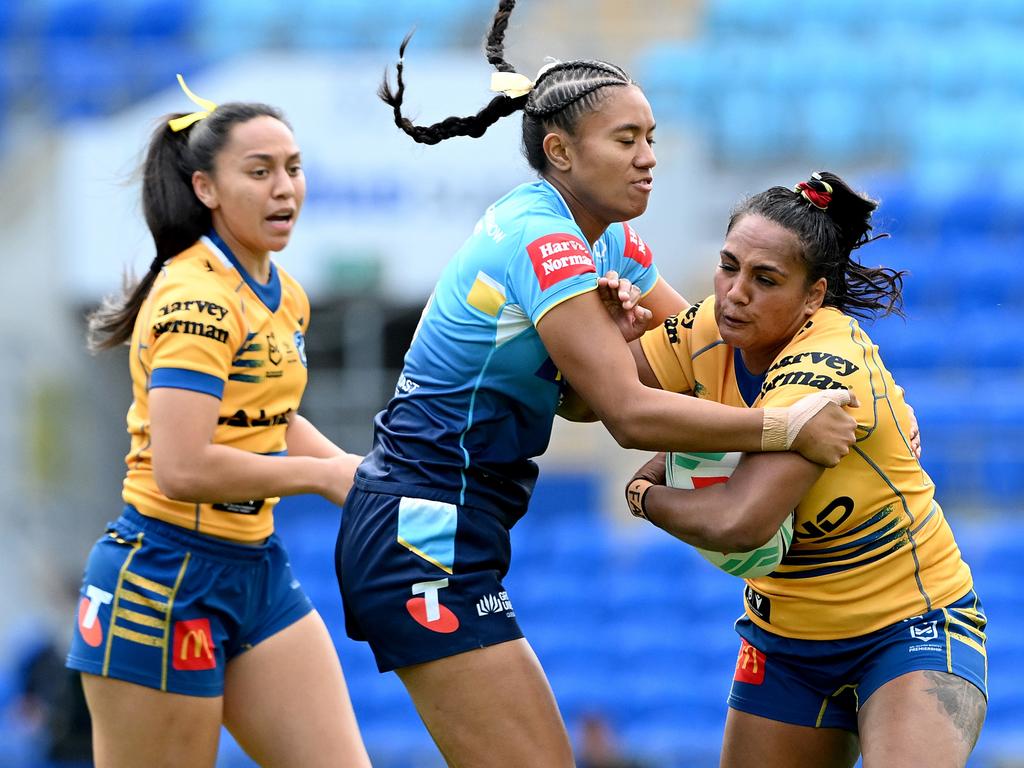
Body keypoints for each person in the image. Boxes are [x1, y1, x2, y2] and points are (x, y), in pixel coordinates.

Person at [334, 2, 860, 766]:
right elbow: (627, 413)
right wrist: (787, 428)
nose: (650, 156)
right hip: (424, 527)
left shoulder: (605, 235)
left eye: (651, 137)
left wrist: (840, 362)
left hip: (461, 520)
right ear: (561, 151)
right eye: (627, 139)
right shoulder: (542, 237)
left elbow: (708, 347)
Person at [624, 171, 987, 768]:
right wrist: (613, 309)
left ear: (814, 296)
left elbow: (741, 522)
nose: (736, 292)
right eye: (728, 265)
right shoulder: (712, 325)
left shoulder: (829, 365)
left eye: (765, 279)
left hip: (910, 631)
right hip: (785, 643)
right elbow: (589, 397)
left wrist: (642, 495)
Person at [65, 76, 371, 768]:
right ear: (206, 188)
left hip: (255, 568)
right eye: (258, 172)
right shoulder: (195, 301)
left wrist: (361, 471)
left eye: (293, 169)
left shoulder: (281, 292)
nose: (284, 188)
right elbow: (182, 467)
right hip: (163, 579)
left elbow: (269, 416)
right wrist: (323, 478)